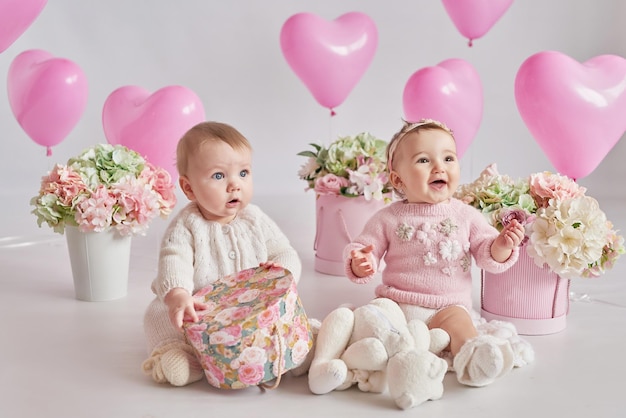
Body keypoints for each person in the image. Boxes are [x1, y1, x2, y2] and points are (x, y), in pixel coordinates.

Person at [344, 119, 525, 387]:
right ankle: (382, 354)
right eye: (423, 160)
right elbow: (364, 246)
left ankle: (474, 356)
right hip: (398, 305)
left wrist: (501, 246)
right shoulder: (387, 218)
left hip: (447, 307)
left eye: (448, 158)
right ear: (398, 179)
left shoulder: (466, 215)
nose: (440, 167)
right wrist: (362, 261)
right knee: (374, 316)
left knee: (463, 325)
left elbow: (486, 252)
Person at [142, 121, 302, 387]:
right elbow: (174, 258)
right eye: (219, 176)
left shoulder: (255, 218)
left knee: (289, 310)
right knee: (158, 313)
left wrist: (280, 273)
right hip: (202, 313)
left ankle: (291, 347)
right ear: (189, 188)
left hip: (252, 310)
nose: (234, 185)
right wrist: (179, 294)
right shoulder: (186, 225)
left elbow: (285, 251)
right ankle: (178, 352)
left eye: (243, 173)